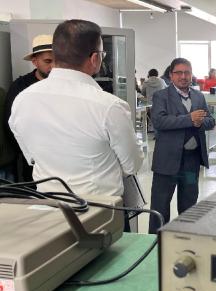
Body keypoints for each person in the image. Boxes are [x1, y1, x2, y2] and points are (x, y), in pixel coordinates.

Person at [9, 19, 143, 197]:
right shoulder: (109, 106)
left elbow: (31, 157)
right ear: (95, 58)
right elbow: (132, 164)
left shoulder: (23, 99)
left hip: (48, 204)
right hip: (100, 209)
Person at [148, 57, 215, 234]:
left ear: (191, 75)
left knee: (189, 207)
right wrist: (189, 119)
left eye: (187, 72)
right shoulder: (161, 96)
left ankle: (184, 241)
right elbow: (159, 121)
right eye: (179, 73)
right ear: (171, 75)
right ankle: (154, 245)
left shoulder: (199, 96)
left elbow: (210, 121)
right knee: (160, 209)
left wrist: (201, 122)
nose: (183, 76)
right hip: (166, 162)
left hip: (191, 163)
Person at [4, 34, 54, 183]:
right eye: (48, 61)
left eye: (58, 61)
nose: (54, 66)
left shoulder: (68, 85)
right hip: (33, 161)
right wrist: (29, 153)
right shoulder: (20, 86)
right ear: (35, 62)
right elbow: (11, 125)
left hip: (65, 157)